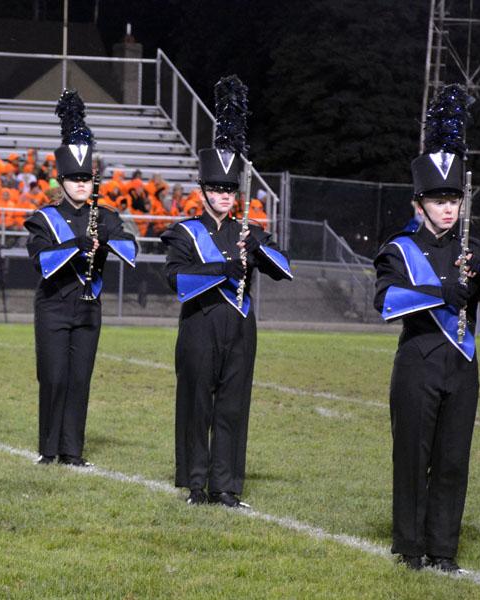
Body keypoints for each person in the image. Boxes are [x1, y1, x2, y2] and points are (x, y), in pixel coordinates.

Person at [373, 84, 480, 572]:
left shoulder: (472, 249)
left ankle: (443, 549)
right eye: (437, 199)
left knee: (454, 461)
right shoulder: (399, 248)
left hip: (462, 367)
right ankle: (411, 548)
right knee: (414, 461)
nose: (447, 207)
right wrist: (442, 294)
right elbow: (387, 300)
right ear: (419, 203)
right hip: (417, 362)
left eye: (453, 198)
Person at [161, 76, 292, 509]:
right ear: (203, 191)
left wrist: (257, 247)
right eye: (216, 188)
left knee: (233, 407)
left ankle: (226, 485)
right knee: (197, 405)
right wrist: (224, 267)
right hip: (200, 323)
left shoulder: (248, 231)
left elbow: (282, 269)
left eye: (229, 189)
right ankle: (196, 483)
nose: (222, 195)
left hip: (240, 326)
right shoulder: (184, 231)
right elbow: (176, 279)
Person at [24, 90, 137, 467]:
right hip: (54, 306)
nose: (79, 186)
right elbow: (40, 260)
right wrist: (77, 244)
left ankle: (72, 450)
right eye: (72, 180)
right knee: (54, 377)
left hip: (89, 306)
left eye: (85, 180)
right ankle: (48, 447)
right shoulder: (43, 218)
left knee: (79, 380)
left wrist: (105, 240)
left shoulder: (104, 215)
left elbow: (130, 247)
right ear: (61, 181)